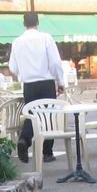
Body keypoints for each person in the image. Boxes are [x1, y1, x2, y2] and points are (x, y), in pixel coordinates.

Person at [9, 11, 65, 163]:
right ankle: (47, 152)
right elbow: (55, 62)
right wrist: (60, 81)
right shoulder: (46, 38)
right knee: (49, 116)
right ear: (38, 22)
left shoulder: (17, 42)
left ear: (24, 23)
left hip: (29, 85)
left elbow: (13, 68)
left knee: (32, 114)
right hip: (46, 83)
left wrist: (23, 72)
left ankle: (25, 139)